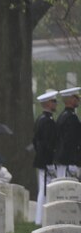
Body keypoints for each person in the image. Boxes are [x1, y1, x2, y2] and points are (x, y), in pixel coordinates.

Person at [32, 89, 58, 224]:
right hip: (45, 161)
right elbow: (47, 144)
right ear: (48, 103)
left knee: (44, 189)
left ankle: (40, 218)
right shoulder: (47, 121)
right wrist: (50, 162)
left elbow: (35, 142)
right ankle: (40, 219)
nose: (56, 103)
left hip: (42, 160)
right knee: (44, 190)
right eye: (54, 101)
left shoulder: (41, 119)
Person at [53, 86, 81, 179]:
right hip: (68, 160)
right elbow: (71, 141)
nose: (78, 99)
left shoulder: (63, 116)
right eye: (76, 97)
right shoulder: (71, 118)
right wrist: (73, 161)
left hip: (63, 159)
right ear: (71, 99)